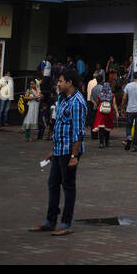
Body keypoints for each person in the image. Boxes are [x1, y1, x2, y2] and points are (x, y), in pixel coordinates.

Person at [31, 71, 85, 236]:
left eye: (60, 81)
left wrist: (74, 157)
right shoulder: (64, 100)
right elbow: (61, 128)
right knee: (53, 184)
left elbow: (78, 132)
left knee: (68, 187)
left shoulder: (77, 102)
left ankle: (66, 223)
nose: (58, 84)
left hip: (70, 152)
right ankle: (50, 220)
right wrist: (53, 151)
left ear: (69, 82)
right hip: (60, 150)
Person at [121, 71, 137, 152]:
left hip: (130, 109)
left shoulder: (128, 85)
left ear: (133, 77)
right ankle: (134, 146)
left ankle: (128, 137)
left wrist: (122, 107)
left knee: (128, 125)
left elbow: (124, 98)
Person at [91, 73, 116, 148]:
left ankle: (101, 143)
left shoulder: (100, 95)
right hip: (109, 112)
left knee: (101, 127)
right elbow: (114, 104)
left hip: (101, 112)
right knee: (107, 127)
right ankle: (107, 141)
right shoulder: (112, 95)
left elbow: (95, 100)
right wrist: (116, 112)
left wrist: (96, 105)